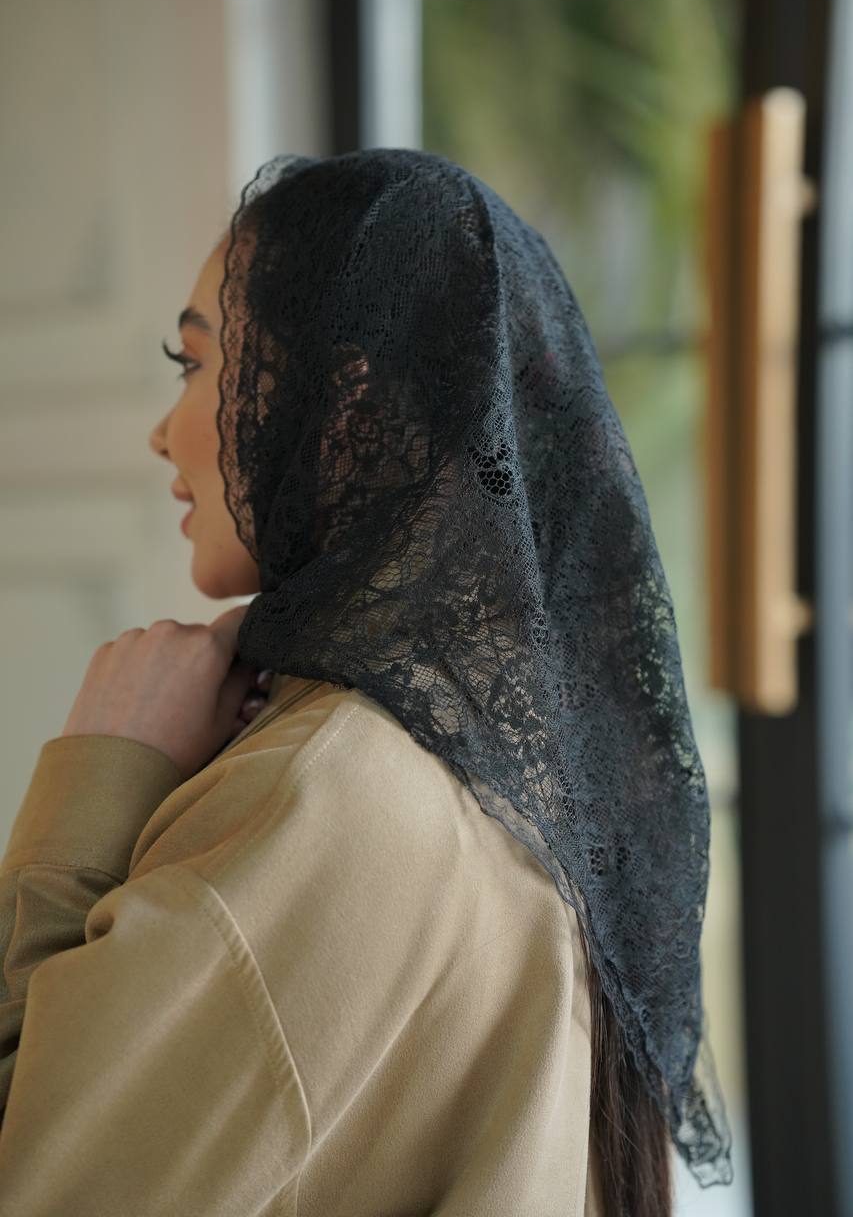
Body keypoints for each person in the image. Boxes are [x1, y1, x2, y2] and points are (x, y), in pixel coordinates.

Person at [0, 149, 731, 1216]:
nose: (162, 431)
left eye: (192, 363)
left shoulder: (322, 792)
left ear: (340, 409)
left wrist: (98, 776)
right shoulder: (516, 767)